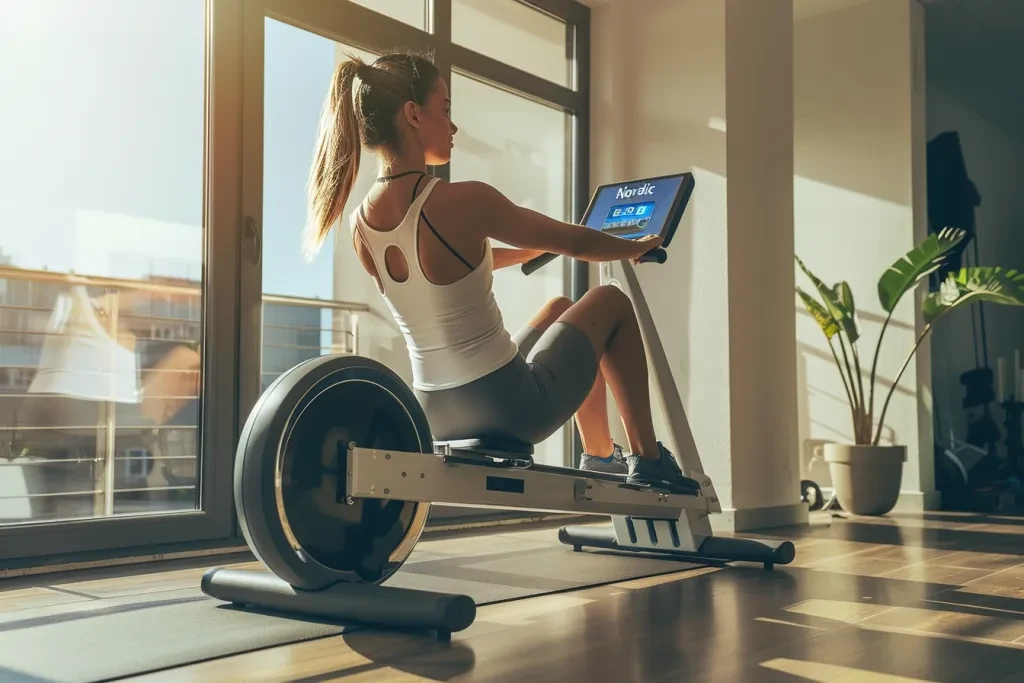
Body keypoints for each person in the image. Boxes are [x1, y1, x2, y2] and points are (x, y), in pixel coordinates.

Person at [303, 51, 697, 492]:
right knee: (611, 303)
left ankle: (601, 456)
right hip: (507, 408)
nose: (453, 127)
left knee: (560, 309)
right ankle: (648, 460)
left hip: (433, 409)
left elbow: (441, 274)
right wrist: (634, 245)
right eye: (446, 110)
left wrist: (525, 253)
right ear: (413, 114)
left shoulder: (360, 226)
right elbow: (576, 241)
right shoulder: (463, 200)